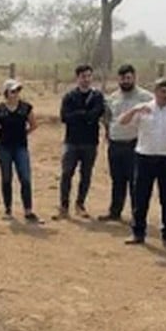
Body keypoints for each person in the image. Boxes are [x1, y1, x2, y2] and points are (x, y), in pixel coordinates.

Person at [119, 78, 166, 250]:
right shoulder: (144, 109)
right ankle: (138, 232)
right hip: (145, 158)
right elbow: (122, 122)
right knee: (141, 197)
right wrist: (135, 110)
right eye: (163, 91)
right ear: (155, 92)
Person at [100, 64, 154, 222]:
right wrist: (108, 133)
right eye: (122, 78)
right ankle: (115, 212)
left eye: (128, 78)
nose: (125, 81)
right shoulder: (112, 98)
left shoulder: (146, 97)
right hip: (115, 144)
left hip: (135, 144)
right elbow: (107, 118)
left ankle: (137, 216)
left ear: (134, 77)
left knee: (135, 181)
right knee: (117, 180)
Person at [58, 64, 106, 219]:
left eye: (89, 76)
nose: (86, 79)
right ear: (77, 78)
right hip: (71, 141)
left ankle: (80, 204)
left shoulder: (97, 96)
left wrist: (78, 115)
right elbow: (64, 117)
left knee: (86, 174)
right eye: (83, 76)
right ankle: (64, 205)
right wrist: (85, 115)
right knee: (66, 173)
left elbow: (96, 114)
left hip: (90, 142)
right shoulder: (69, 96)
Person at [0, 78, 40, 222]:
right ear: (6, 92)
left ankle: (28, 210)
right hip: (3, 147)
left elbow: (33, 124)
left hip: (20, 147)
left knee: (25, 177)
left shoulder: (26, 108)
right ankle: (8, 209)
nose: (16, 93)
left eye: (18, 90)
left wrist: (23, 134)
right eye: (13, 91)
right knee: (6, 178)